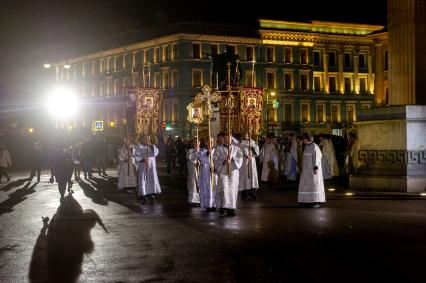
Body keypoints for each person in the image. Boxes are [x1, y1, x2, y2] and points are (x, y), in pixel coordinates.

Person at [213, 134, 243, 216]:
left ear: (231, 139)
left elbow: (240, 158)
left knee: (232, 189)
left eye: (228, 138)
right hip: (223, 171)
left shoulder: (236, 149)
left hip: (233, 171)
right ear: (223, 139)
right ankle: (223, 206)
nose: (226, 139)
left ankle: (231, 208)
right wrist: (223, 162)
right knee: (223, 188)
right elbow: (215, 159)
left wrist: (233, 159)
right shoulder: (219, 149)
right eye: (225, 138)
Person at [298, 133, 325, 208]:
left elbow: (318, 157)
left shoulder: (314, 146)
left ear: (307, 139)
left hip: (312, 171)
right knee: (305, 186)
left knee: (314, 186)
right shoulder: (307, 146)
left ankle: (315, 201)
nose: (303, 140)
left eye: (304, 139)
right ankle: (305, 200)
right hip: (306, 171)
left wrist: (315, 167)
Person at [134, 135, 161, 202]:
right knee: (143, 179)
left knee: (151, 178)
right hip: (143, 165)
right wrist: (142, 160)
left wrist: (151, 146)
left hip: (151, 165)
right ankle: (143, 194)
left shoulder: (152, 146)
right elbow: (136, 155)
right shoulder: (140, 146)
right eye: (146, 139)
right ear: (143, 139)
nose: (147, 140)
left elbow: (156, 153)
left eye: (148, 139)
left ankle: (151, 192)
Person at [238, 132, 259, 200]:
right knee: (244, 177)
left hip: (252, 162)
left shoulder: (253, 142)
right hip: (244, 162)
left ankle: (253, 194)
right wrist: (245, 155)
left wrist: (252, 149)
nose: (246, 135)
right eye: (244, 134)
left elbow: (257, 152)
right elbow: (238, 152)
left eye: (247, 134)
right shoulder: (240, 143)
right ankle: (244, 195)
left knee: (252, 176)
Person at [197, 138, 216, 211]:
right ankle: (207, 204)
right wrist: (207, 153)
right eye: (208, 142)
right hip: (205, 172)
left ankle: (213, 204)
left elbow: (217, 159)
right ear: (206, 143)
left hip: (213, 171)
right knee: (206, 188)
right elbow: (201, 158)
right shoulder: (203, 151)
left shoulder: (216, 150)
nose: (210, 144)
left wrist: (215, 167)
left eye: (211, 142)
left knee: (213, 188)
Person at [186, 139, 200, 207]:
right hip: (193, 170)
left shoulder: (202, 150)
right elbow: (190, 158)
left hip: (200, 170)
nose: (196, 143)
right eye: (194, 142)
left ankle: (200, 199)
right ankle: (194, 200)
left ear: (199, 143)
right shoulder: (190, 151)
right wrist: (195, 161)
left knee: (200, 184)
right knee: (193, 184)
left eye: (197, 142)